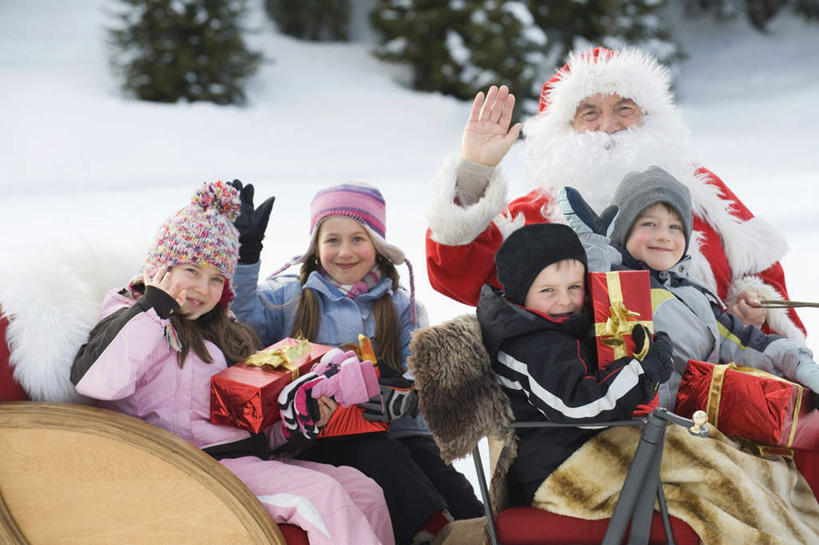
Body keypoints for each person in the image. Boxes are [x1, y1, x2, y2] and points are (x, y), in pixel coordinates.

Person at [70, 181, 394, 545]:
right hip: (187, 466)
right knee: (324, 498)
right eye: (191, 270)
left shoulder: (225, 335)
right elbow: (98, 383)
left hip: (242, 461)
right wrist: (154, 307)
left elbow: (251, 423)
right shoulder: (132, 316)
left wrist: (298, 419)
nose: (202, 288)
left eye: (216, 279)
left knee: (364, 490)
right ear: (160, 268)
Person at [425, 47, 806, 343]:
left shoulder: (702, 192)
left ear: (651, 117)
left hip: (719, 383)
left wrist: (756, 309)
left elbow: (764, 275)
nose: (608, 127)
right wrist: (474, 172)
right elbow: (458, 276)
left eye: (624, 108)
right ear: (564, 129)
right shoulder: (537, 215)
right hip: (596, 406)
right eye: (589, 113)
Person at [230, 180, 483, 545]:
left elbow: (421, 367)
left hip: (397, 430)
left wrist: (406, 392)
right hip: (315, 435)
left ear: (377, 246)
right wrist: (246, 256)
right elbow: (242, 318)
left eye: (357, 239)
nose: (345, 251)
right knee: (378, 455)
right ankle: (431, 531)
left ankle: (477, 526)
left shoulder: (399, 305)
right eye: (332, 239)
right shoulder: (289, 296)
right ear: (316, 248)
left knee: (444, 479)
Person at [560, 166, 819, 432]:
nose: (664, 235)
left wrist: (801, 364)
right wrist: (594, 246)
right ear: (623, 230)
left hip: (695, 425)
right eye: (649, 223)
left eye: (675, 227)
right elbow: (587, 308)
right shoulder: (611, 277)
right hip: (633, 432)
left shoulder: (693, 296)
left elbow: (747, 343)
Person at [475, 222, 673, 504]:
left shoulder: (560, 328)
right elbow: (579, 406)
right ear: (521, 294)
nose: (564, 301)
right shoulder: (529, 347)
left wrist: (645, 345)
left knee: (692, 455)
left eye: (574, 287)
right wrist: (643, 372)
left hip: (588, 453)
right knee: (686, 483)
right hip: (557, 474)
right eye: (548, 291)